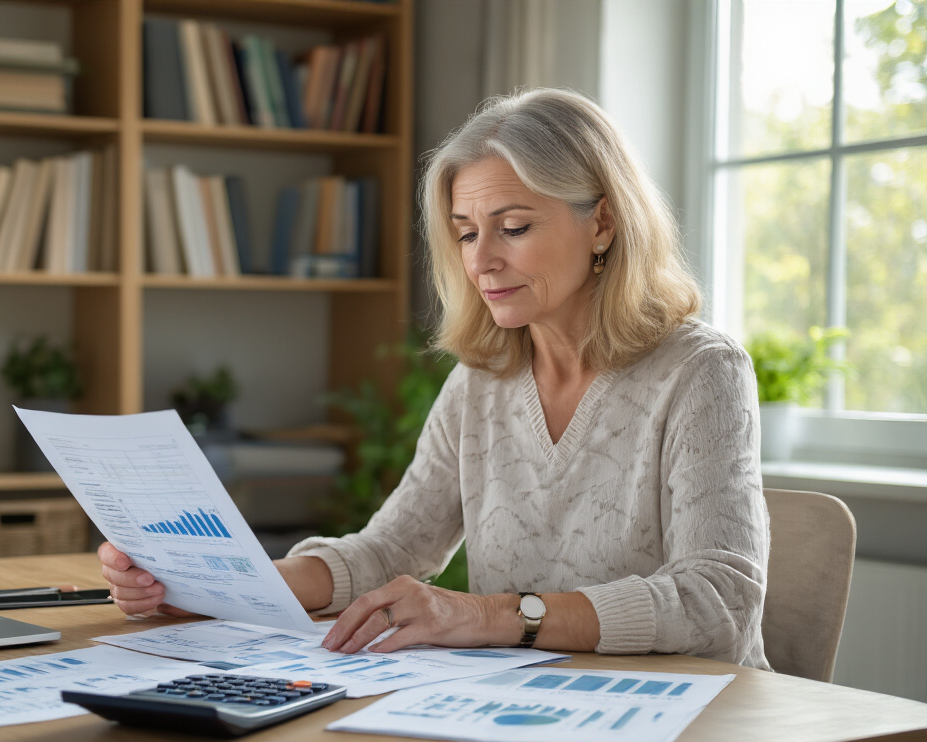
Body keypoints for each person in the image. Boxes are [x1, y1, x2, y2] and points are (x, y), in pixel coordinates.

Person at [100, 88, 770, 671]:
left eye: (513, 227)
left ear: (602, 221)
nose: (483, 261)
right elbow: (393, 549)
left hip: (684, 722)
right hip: (535, 712)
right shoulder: (483, 382)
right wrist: (214, 583)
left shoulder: (699, 370)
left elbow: (719, 600)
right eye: (466, 233)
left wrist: (493, 616)